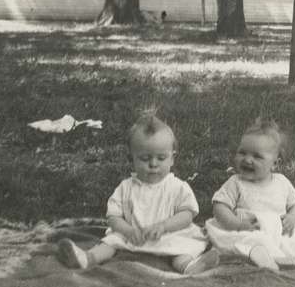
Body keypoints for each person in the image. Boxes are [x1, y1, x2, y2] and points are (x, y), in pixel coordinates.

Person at [56, 112, 218, 274]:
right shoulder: (126, 188)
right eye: (145, 158)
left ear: (172, 159)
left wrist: (164, 226)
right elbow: (113, 217)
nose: (153, 164)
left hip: (169, 234)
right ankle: (87, 258)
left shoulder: (178, 187)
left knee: (182, 247)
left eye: (161, 158)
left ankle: (188, 266)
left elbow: (187, 214)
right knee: (111, 241)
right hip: (133, 235)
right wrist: (127, 230)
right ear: (132, 158)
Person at [205, 119, 295, 271]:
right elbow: (220, 206)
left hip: (279, 234)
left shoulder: (282, 182)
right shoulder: (235, 183)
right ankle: (263, 259)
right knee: (250, 242)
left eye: (257, 156)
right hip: (249, 231)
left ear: (275, 164)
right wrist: (238, 225)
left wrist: (292, 218)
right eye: (242, 152)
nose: (247, 159)